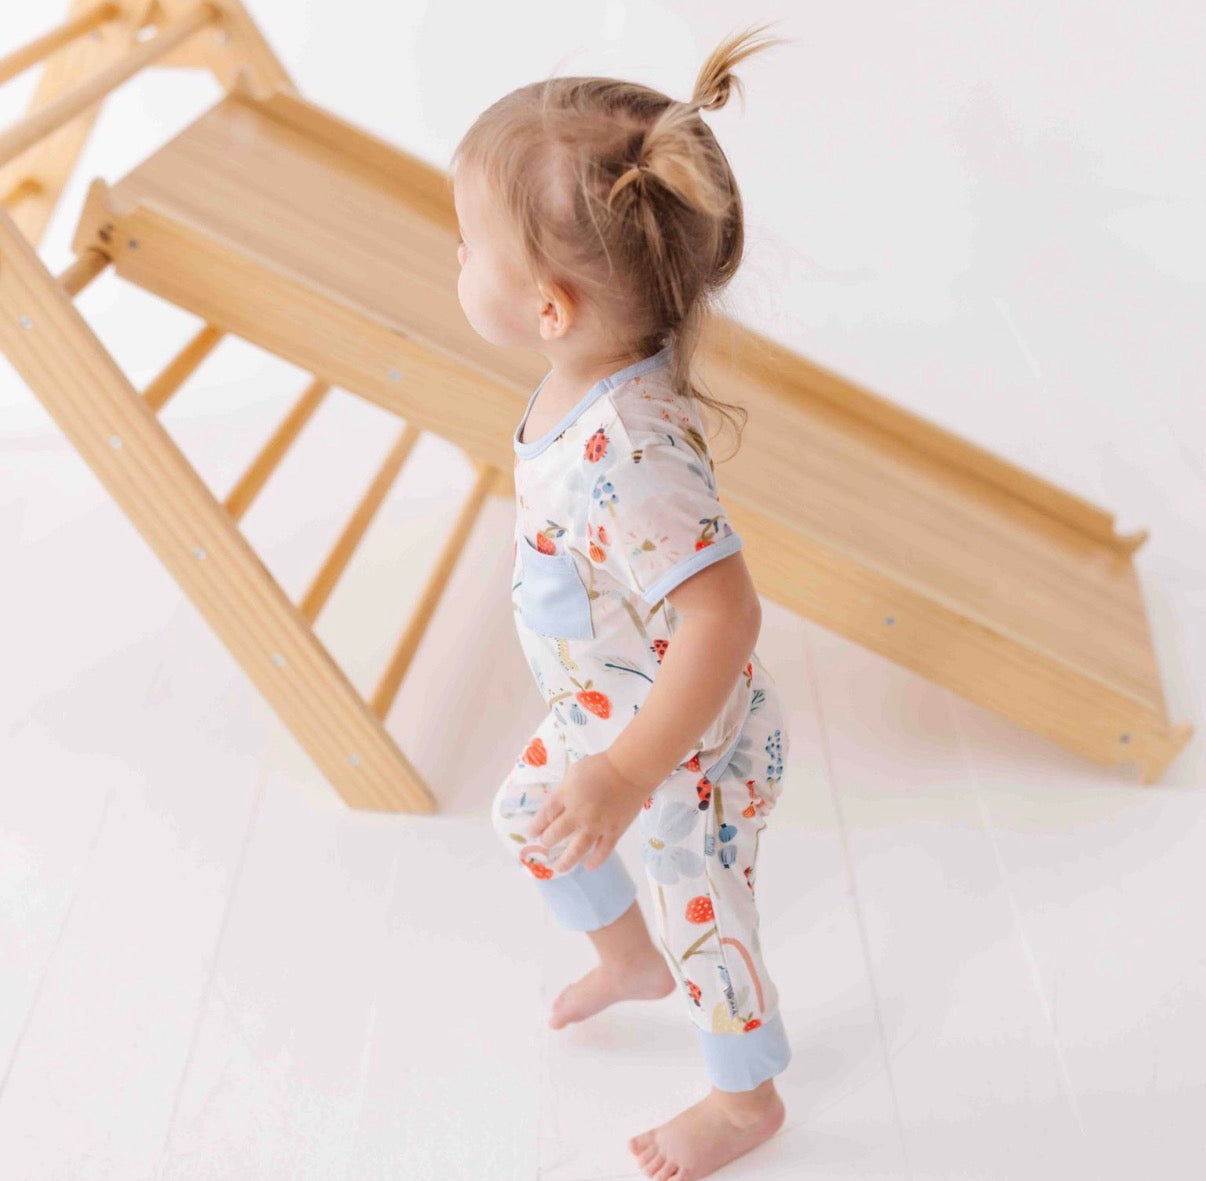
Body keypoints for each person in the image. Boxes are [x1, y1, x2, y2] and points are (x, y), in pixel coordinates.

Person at [453, 22, 794, 1180]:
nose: (452, 261)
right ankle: (628, 960)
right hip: (606, 706)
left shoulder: (632, 454)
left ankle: (745, 1099)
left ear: (550, 306)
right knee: (526, 822)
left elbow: (722, 619)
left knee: (707, 913)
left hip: (681, 742)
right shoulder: (580, 378)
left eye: (466, 247)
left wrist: (628, 772)